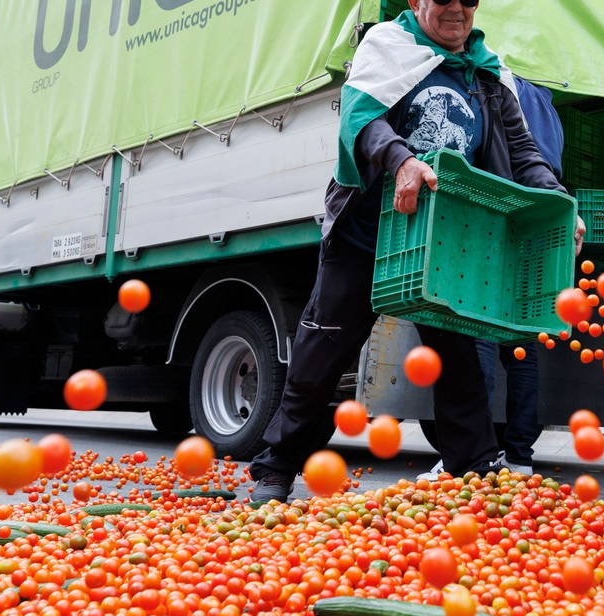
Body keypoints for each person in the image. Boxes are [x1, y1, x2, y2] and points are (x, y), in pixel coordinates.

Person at [248, 0, 583, 503]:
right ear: (415, 3)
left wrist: (558, 203)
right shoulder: (389, 46)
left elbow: (522, 152)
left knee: (459, 359)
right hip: (368, 234)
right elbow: (363, 118)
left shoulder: (488, 74)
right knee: (322, 356)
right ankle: (276, 468)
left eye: (467, 0)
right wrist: (401, 160)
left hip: (443, 240)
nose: (456, 10)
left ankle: (475, 473)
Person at [418, 76, 563, 481]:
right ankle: (519, 456)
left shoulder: (489, 83)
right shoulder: (548, 108)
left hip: (497, 215)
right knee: (521, 348)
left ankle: (462, 455)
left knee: (476, 331)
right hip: (538, 222)